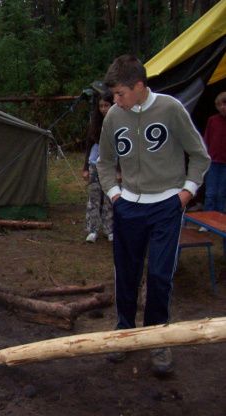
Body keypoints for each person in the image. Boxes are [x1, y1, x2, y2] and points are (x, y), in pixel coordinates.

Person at [96, 55, 210, 375]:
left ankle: (158, 338)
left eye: (121, 94)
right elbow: (104, 162)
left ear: (139, 86)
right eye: (114, 95)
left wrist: (185, 194)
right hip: (128, 206)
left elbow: (199, 156)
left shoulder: (171, 109)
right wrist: (116, 196)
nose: (115, 101)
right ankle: (126, 332)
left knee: (160, 274)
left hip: (166, 206)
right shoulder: (114, 117)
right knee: (126, 273)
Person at [83, 91, 115, 243]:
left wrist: (120, 170)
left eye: (106, 105)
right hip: (95, 163)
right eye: (101, 106)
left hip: (111, 164)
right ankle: (93, 229)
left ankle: (109, 229)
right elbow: (89, 145)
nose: (103, 109)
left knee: (110, 198)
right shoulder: (95, 122)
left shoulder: (118, 121)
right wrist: (85, 167)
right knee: (94, 197)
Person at [202, 91, 226, 217]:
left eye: (224, 104)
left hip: (225, 162)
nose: (222, 107)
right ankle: (207, 218)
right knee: (210, 192)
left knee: (221, 193)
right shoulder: (212, 120)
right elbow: (206, 138)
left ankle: (219, 218)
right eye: (219, 105)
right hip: (212, 161)